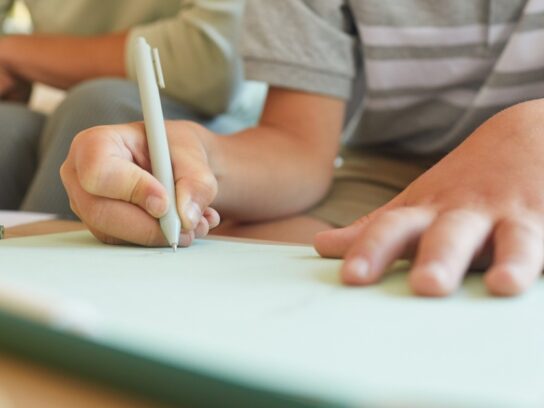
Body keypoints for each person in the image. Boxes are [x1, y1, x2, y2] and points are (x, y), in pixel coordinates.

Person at [61, 0, 544, 297]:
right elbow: (297, 147)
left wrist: (527, 131)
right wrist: (198, 155)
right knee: (237, 269)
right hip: (382, 172)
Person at [0, 0, 265, 216]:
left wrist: (13, 53)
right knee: (6, 127)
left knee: (99, 108)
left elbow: (211, 62)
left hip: (217, 118)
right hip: (66, 104)